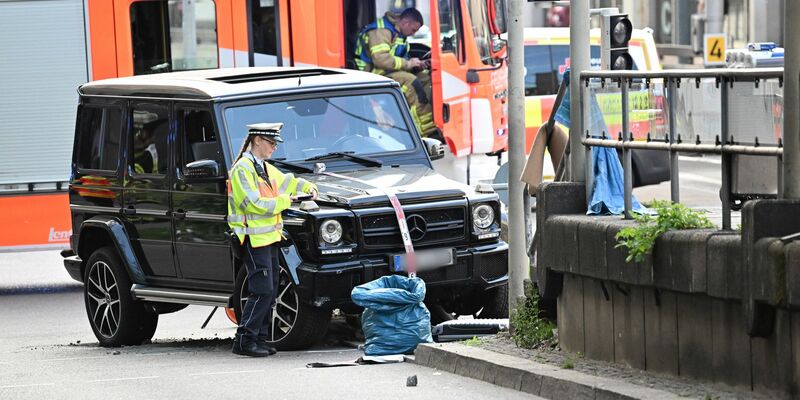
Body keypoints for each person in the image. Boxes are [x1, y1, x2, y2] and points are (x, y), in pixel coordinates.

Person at [227, 122, 318, 357]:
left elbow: (286, 181)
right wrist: (287, 201)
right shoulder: (242, 170)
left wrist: (308, 185)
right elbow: (254, 204)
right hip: (252, 240)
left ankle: (260, 338)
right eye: (271, 142)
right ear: (257, 140)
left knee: (270, 288)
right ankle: (245, 340)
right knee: (262, 290)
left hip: (269, 238)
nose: (274, 148)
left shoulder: (262, 168)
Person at [354, 8, 436, 138]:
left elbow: (398, 57)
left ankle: (431, 123)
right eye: (413, 30)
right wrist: (408, 64)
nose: (413, 34)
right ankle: (426, 132)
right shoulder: (381, 31)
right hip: (372, 74)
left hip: (388, 71)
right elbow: (380, 60)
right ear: (406, 23)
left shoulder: (399, 33)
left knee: (426, 78)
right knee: (411, 82)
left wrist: (417, 65)